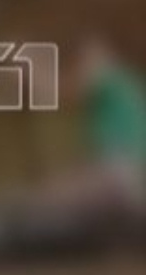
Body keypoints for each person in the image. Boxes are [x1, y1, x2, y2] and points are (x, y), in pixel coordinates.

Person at [46, 37, 146, 208]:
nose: (81, 68)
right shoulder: (122, 82)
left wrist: (29, 65)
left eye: (84, 61)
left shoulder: (110, 78)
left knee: (55, 195)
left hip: (119, 166)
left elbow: (64, 89)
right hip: (125, 167)